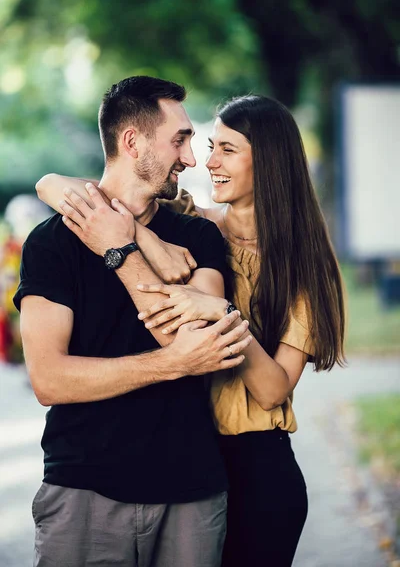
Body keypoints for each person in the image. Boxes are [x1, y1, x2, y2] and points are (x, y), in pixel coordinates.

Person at [37, 94, 346, 566]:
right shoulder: (195, 225)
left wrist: (217, 310)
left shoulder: (304, 265)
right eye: (207, 145)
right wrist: (147, 239)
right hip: (197, 455)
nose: (206, 160)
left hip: (259, 467)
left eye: (226, 149)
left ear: (268, 161)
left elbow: (272, 389)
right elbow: (73, 188)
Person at [14, 76, 255, 567]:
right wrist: (169, 365)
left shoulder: (198, 239)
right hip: (84, 491)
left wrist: (122, 246)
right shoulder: (50, 243)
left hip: (192, 492)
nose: (191, 159)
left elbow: (199, 345)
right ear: (132, 141)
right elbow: (49, 379)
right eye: (180, 140)